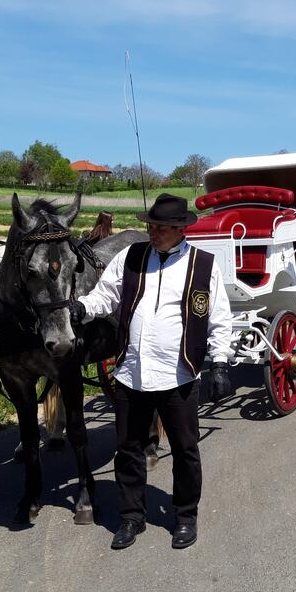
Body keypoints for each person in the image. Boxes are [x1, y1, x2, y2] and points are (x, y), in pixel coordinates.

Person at [72, 193, 233, 550]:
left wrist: (220, 362)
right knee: (128, 449)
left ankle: (185, 516)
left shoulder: (202, 266)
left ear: (180, 229)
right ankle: (132, 517)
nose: (153, 232)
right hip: (132, 373)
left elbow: (219, 319)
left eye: (161, 227)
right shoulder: (131, 257)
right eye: (151, 226)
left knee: (185, 450)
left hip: (179, 376)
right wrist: (82, 308)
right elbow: (105, 296)